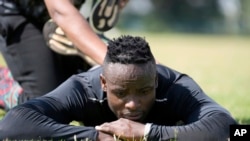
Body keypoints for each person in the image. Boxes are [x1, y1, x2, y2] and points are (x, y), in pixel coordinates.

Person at [0, 35, 237, 140]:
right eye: (121, 93)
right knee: (32, 97)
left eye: (144, 92)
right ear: (104, 84)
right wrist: (98, 137)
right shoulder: (84, 88)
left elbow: (234, 132)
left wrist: (146, 133)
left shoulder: (176, 86)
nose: (133, 104)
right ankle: (5, 84)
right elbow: (12, 125)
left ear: (154, 81)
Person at [0, 0, 129, 111]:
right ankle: (4, 82)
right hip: (21, 13)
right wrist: (116, 64)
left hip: (61, 20)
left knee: (86, 91)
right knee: (46, 105)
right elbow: (60, 11)